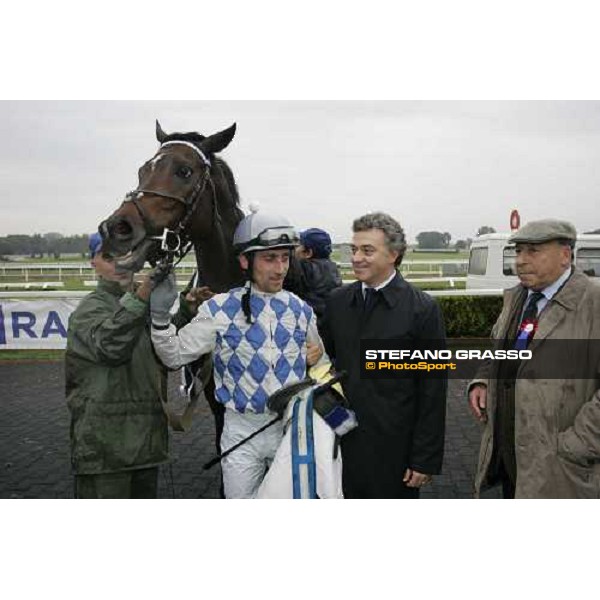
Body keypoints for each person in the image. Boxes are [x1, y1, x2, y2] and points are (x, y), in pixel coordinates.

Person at [150, 208, 325, 498]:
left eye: (284, 258)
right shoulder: (219, 309)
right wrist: (159, 318)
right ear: (245, 260)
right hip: (240, 432)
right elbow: (174, 356)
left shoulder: (301, 309)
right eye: (269, 258)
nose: (280, 268)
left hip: (290, 431)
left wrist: (317, 361)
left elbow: (322, 366)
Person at [468, 219, 600, 499]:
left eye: (532, 251)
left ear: (565, 255)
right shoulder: (517, 298)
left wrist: (577, 444)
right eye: (517, 252)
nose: (521, 261)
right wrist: (483, 379)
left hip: (562, 471)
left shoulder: (593, 304)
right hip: (511, 459)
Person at [321, 212, 447, 498]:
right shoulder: (338, 301)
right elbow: (323, 361)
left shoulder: (422, 309)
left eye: (367, 250)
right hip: (338, 443)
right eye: (353, 249)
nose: (356, 258)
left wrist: (424, 458)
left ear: (393, 254)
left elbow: (433, 388)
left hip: (394, 450)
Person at [66, 233, 169, 499]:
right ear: (94, 263)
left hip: (146, 446)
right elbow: (111, 346)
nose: (121, 263)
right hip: (105, 452)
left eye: (127, 254)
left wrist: (187, 309)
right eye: (110, 257)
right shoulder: (89, 309)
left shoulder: (142, 303)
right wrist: (144, 293)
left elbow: (159, 347)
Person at [284, 227, 342, 331]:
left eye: (298, 245)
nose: (294, 249)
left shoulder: (304, 269)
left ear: (308, 253)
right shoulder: (333, 269)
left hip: (309, 328)